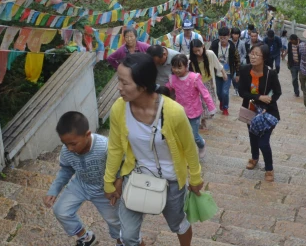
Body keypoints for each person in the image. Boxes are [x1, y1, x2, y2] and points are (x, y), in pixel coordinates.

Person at [104, 53, 204, 246]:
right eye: (119, 81)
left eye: (125, 83)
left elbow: (190, 148)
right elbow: (115, 147)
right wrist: (109, 180)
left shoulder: (173, 112)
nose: (119, 88)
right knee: (128, 236)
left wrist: (196, 177)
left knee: (177, 224)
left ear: (142, 86)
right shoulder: (119, 108)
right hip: (136, 175)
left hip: (172, 181)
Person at [45, 112, 122, 246]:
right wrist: (54, 190)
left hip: (104, 190)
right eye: (65, 143)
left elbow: (122, 166)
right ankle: (85, 237)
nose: (69, 148)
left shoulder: (105, 147)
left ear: (87, 135)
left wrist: (117, 185)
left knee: (115, 220)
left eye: (73, 144)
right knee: (61, 211)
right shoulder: (66, 151)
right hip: (80, 185)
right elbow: (66, 169)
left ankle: (121, 241)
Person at [238, 43, 282, 182]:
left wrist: (267, 103)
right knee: (252, 135)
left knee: (263, 141)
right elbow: (242, 92)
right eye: (252, 53)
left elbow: (277, 92)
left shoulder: (271, 73)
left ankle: (269, 169)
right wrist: (258, 97)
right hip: (250, 109)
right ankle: (254, 157)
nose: (253, 57)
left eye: (257, 54)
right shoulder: (244, 70)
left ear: (264, 58)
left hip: (268, 112)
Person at [166, 54, 215, 159]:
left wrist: (211, 107)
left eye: (179, 67)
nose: (176, 70)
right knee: (182, 135)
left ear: (186, 66)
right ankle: (187, 155)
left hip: (194, 112)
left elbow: (204, 93)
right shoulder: (173, 79)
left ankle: (201, 144)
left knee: (193, 136)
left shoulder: (194, 78)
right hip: (179, 111)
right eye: (174, 67)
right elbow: (167, 88)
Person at [189, 39, 221, 130]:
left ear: (203, 46)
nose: (197, 53)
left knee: (208, 101)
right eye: (195, 51)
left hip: (208, 82)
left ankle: (205, 118)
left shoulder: (209, 54)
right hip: (197, 84)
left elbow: (217, 64)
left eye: (198, 50)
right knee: (200, 102)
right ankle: (201, 120)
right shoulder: (190, 58)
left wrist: (223, 73)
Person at [209, 27, 238, 115]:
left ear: (229, 36)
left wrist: (238, 74)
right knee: (218, 92)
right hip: (217, 73)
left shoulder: (232, 46)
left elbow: (237, 60)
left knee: (225, 92)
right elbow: (209, 56)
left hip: (228, 73)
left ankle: (225, 108)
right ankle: (222, 101)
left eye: (225, 38)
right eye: (221, 38)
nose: (223, 40)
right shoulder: (214, 45)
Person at [230, 27, 248, 95]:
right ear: (232, 34)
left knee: (236, 76)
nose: (236, 36)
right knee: (232, 76)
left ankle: (237, 88)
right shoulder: (229, 42)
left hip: (239, 63)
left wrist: (241, 59)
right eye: (234, 34)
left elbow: (244, 53)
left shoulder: (242, 43)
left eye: (237, 34)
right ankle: (235, 88)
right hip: (231, 63)